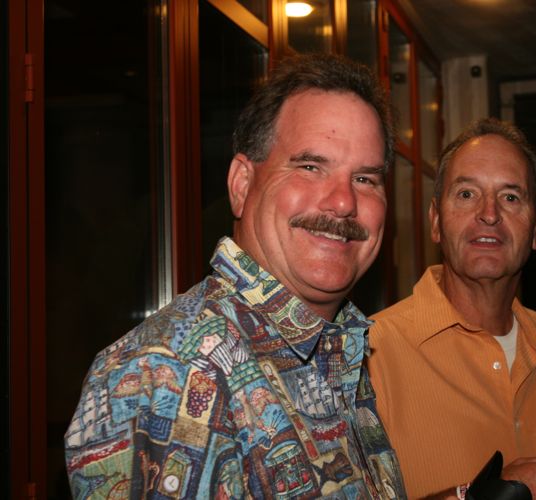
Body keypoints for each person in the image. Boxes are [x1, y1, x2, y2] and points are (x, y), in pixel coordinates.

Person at [65, 53, 406, 499]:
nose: (343, 202)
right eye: (310, 167)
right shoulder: (167, 372)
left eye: (365, 179)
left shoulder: (338, 351)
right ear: (242, 184)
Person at [367, 118, 536, 499]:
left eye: (510, 197)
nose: (489, 213)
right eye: (466, 194)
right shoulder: (371, 353)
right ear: (436, 221)